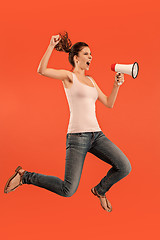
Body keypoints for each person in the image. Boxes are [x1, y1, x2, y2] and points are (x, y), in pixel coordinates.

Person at [4, 31, 131, 212]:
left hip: (97, 136)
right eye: (86, 53)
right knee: (67, 190)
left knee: (124, 166)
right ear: (76, 58)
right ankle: (25, 176)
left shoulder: (91, 80)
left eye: (91, 54)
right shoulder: (68, 77)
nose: (91, 57)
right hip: (77, 138)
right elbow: (41, 70)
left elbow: (108, 104)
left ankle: (100, 190)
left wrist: (116, 85)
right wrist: (50, 46)